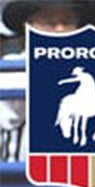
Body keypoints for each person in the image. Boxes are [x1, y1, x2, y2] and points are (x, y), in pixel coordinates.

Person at [0, 0, 84, 162]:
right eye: (49, 23)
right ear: (28, 26)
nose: (60, 29)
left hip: (84, 174)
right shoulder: (12, 66)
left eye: (67, 22)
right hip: (21, 177)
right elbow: (9, 117)